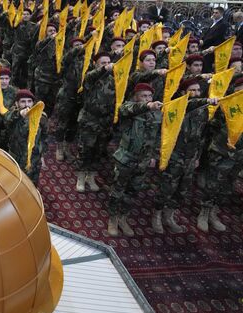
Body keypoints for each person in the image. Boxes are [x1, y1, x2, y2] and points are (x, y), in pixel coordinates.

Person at [152, 78, 219, 234]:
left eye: (198, 90)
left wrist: (196, 157)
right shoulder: (178, 106)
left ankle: (169, 217)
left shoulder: (202, 110)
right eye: (192, 90)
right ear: (183, 92)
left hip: (190, 156)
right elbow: (162, 132)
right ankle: (157, 215)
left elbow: (201, 136)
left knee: (182, 189)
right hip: (174, 155)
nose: (196, 93)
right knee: (166, 187)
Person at [107, 83, 162, 237]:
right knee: (117, 190)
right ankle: (112, 218)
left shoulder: (157, 114)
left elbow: (158, 137)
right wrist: (148, 105)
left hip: (143, 161)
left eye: (149, 96)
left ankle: (123, 218)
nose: (147, 99)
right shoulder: (128, 108)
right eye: (143, 96)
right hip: (126, 158)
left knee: (133, 191)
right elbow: (127, 110)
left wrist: (154, 156)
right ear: (136, 97)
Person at [198, 78, 243, 232]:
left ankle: (214, 213)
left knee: (228, 185)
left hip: (239, 155)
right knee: (213, 183)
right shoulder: (226, 104)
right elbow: (212, 126)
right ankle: (203, 212)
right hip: (221, 150)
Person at [75, 52, 115, 193]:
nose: (107, 64)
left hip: (105, 122)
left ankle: (91, 177)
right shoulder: (91, 77)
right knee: (85, 150)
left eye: (108, 62)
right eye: (103, 63)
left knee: (98, 151)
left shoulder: (114, 79)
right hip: (90, 120)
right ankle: (80, 177)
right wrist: (105, 69)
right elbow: (90, 77)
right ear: (95, 64)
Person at [5, 89, 47, 183]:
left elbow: (44, 137)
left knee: (31, 182)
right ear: (17, 103)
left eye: (29, 101)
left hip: (33, 158)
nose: (27, 104)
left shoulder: (41, 117)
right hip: (16, 156)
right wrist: (19, 115)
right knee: (13, 181)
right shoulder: (13, 115)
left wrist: (42, 154)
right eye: (23, 102)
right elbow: (7, 121)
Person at [201, 7, 229, 73]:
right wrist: (201, 39)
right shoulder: (213, 22)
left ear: (221, 14)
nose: (214, 14)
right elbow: (206, 32)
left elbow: (215, 36)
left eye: (216, 13)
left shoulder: (223, 24)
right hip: (206, 48)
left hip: (212, 49)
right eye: (213, 12)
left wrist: (204, 42)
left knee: (208, 67)